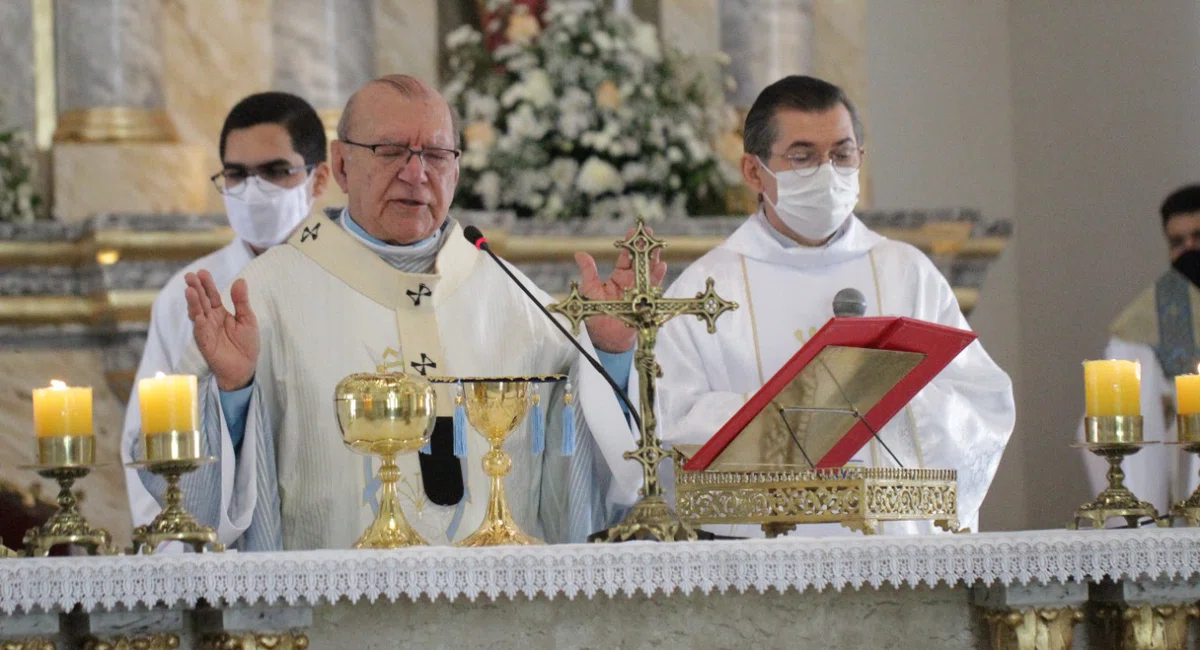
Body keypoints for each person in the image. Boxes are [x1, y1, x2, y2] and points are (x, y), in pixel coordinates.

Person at [142, 74, 658, 550]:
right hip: (333, 618)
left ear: (456, 168)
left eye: (436, 154)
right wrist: (233, 394)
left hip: (497, 609)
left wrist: (610, 353)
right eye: (390, 152)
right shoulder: (262, 296)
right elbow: (192, 499)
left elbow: (601, 474)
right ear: (341, 165)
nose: (416, 174)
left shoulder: (509, 293)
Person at [655, 75, 1015, 535]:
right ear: (753, 172)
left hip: (896, 557)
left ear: (860, 160)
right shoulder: (706, 287)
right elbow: (668, 422)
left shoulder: (905, 272)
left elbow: (982, 404)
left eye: (842, 155)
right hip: (760, 564)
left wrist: (890, 396)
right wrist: (797, 412)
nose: (827, 172)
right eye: (803, 157)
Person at [121, 92, 330, 529]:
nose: (253, 190)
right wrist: (179, 550)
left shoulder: (350, 279)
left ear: (320, 179)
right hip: (224, 550)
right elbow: (149, 441)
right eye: (236, 175)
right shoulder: (189, 293)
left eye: (275, 172)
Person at [1080, 184, 1200, 515]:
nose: (1189, 249)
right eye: (1177, 242)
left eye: (1197, 236)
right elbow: (1121, 408)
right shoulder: (1147, 320)